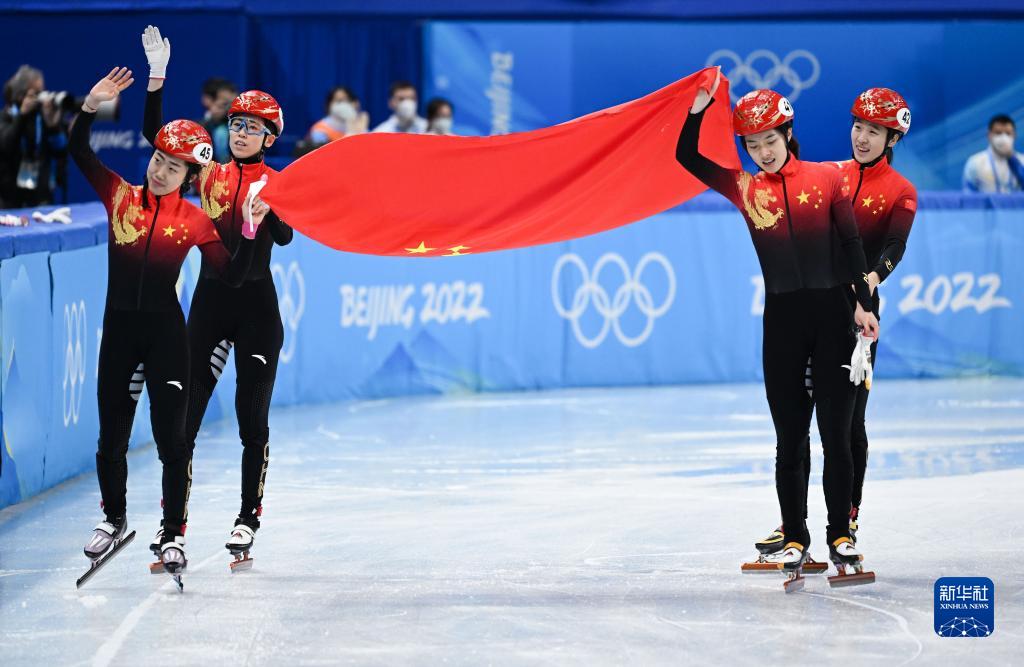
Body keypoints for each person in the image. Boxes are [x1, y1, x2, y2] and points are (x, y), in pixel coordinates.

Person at [676, 73, 879, 576]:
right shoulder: (744, 188)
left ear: (788, 134)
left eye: (770, 139)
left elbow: (852, 246)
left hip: (834, 317)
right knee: (790, 439)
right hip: (783, 323)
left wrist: (862, 302)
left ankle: (841, 534)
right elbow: (687, 157)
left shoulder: (829, 178)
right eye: (751, 144)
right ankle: (794, 536)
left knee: (835, 434)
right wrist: (699, 110)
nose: (763, 152)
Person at [71, 66, 268, 576]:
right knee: (111, 437)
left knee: (172, 441)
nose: (160, 172)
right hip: (119, 332)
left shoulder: (196, 220)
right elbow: (78, 151)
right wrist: (91, 106)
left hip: (166, 337)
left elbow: (234, 274)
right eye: (158, 161)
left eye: (172, 168)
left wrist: (249, 226)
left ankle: (174, 535)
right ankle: (113, 519)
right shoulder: (117, 195)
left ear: (188, 178)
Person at [141, 25, 293, 562]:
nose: (241, 132)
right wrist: (157, 78)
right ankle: (171, 528)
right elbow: (160, 140)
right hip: (207, 307)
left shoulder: (276, 183)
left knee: (252, 419)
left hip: (256, 310)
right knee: (182, 422)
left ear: (270, 137)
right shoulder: (205, 175)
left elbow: (286, 234)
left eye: (252, 127)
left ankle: (248, 519)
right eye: (235, 123)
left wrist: (267, 211)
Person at [754, 88, 918, 556]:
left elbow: (894, 249)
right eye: (858, 127)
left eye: (874, 131)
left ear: (891, 139)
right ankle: (793, 522)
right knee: (798, 420)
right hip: (817, 309)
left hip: (857, 315)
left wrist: (863, 286)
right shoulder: (828, 175)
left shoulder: (901, 190)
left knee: (847, 426)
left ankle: (846, 519)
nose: (862, 138)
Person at [0, 65, 68, 208]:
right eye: (35, 93)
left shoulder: (44, 117)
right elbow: (6, 147)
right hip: (10, 200)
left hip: (41, 199)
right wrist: (22, 117)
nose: (40, 98)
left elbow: (61, 150)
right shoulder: (5, 117)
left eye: (42, 92)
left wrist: (53, 127)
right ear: (20, 95)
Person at [963, 114, 1024, 193]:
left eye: (1008, 133)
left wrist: (1013, 160)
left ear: (1014, 135)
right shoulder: (975, 162)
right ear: (989, 135)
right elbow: (968, 197)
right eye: (998, 133)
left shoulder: (1022, 161)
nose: (1003, 138)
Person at [200, 77, 238, 164]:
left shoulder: (241, 130)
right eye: (224, 104)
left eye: (234, 104)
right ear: (207, 100)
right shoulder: (197, 129)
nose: (229, 109)